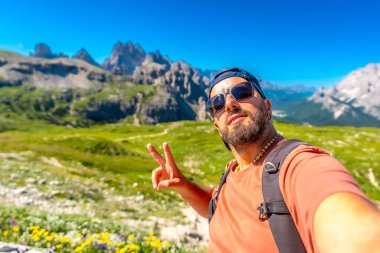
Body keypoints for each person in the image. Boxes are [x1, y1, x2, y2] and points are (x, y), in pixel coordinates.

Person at [147, 67, 380, 253]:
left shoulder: (298, 165)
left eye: (242, 92)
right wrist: (185, 186)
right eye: (217, 104)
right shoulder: (232, 172)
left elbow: (349, 224)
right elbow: (217, 207)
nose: (229, 103)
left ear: (267, 107)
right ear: (216, 125)